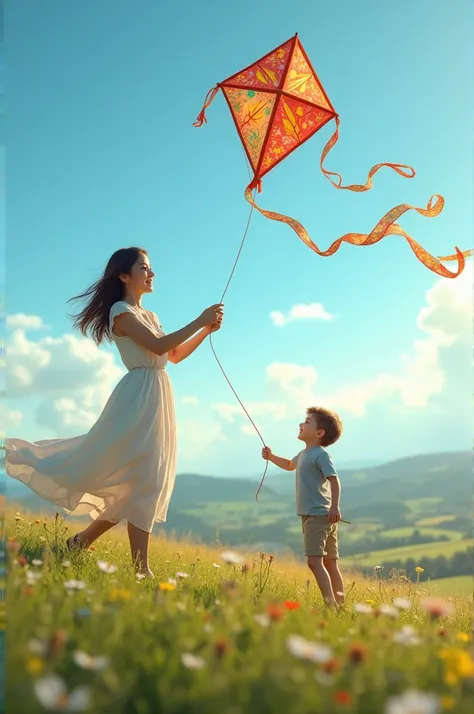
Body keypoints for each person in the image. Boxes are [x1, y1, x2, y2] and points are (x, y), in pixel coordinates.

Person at [6, 247, 223, 577]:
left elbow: (174, 355)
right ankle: (141, 570)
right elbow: (159, 347)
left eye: (151, 268)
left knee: (143, 480)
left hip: (158, 395)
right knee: (144, 478)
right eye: (145, 268)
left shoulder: (149, 315)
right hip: (138, 399)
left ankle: (80, 543)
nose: (152, 274)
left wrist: (205, 330)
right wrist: (199, 318)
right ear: (124, 275)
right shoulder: (121, 312)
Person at [261, 406, 344, 608]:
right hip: (318, 516)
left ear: (319, 433)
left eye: (307, 421)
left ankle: (332, 606)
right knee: (329, 563)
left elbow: (334, 480)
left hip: (318, 516)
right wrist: (271, 457)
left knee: (315, 562)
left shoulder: (321, 456)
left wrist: (335, 507)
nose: (301, 423)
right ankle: (341, 606)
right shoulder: (303, 454)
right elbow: (290, 465)